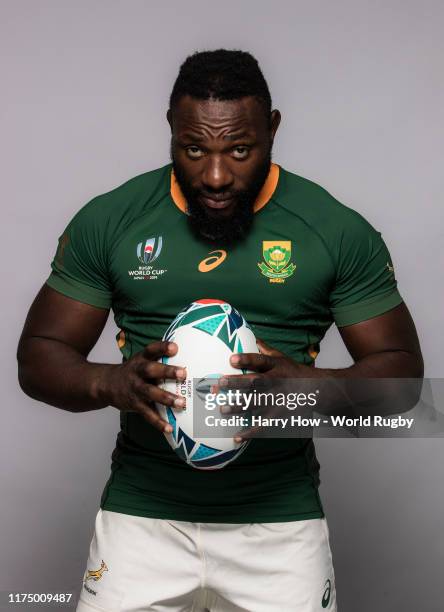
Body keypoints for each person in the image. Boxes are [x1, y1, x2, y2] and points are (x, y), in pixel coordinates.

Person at [17, 49, 423, 612]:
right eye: (193, 149)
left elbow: (403, 393)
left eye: (239, 149)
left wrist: (302, 391)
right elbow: (38, 357)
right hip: (141, 518)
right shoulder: (113, 220)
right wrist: (110, 384)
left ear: (272, 129)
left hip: (279, 526)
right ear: (170, 128)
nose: (214, 174)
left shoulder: (333, 231)